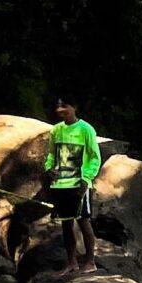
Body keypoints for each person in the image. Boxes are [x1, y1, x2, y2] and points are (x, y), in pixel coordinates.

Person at [41, 102, 101, 268]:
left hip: (79, 183)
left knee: (83, 221)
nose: (60, 110)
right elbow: (51, 154)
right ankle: (72, 262)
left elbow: (95, 157)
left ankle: (90, 261)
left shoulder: (86, 129)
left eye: (65, 106)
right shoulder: (56, 130)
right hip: (61, 184)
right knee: (66, 223)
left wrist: (86, 178)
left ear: (75, 107)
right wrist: (49, 169)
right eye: (58, 106)